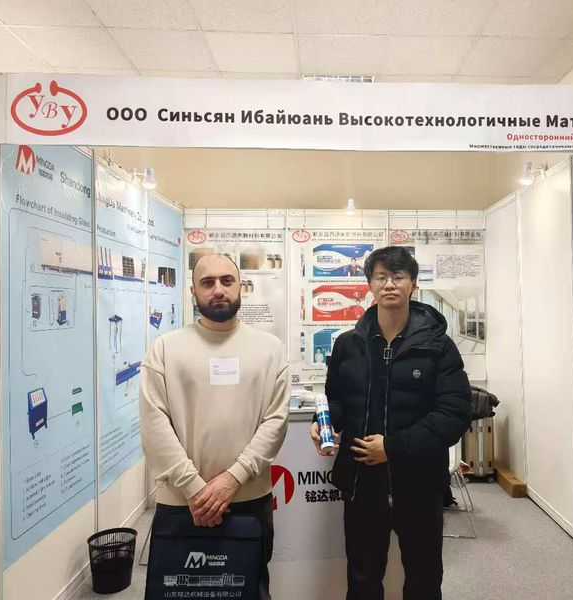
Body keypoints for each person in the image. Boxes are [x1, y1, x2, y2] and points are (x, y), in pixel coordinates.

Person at [310, 246, 471, 600]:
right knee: (363, 579)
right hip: (361, 483)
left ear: (413, 284)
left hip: (419, 483)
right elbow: (338, 399)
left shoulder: (438, 346)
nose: (389, 284)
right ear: (369, 283)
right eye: (381, 277)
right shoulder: (348, 344)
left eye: (398, 276)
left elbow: (454, 414)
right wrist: (324, 422)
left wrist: (393, 447)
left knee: (424, 579)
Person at [140, 254, 290, 600]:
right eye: (207, 283)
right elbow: (154, 424)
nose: (218, 289)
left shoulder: (270, 349)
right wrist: (195, 489)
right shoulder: (165, 349)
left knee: (248, 591)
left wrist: (232, 479)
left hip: (248, 499)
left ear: (241, 287)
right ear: (193, 291)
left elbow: (275, 421)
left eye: (227, 281)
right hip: (183, 502)